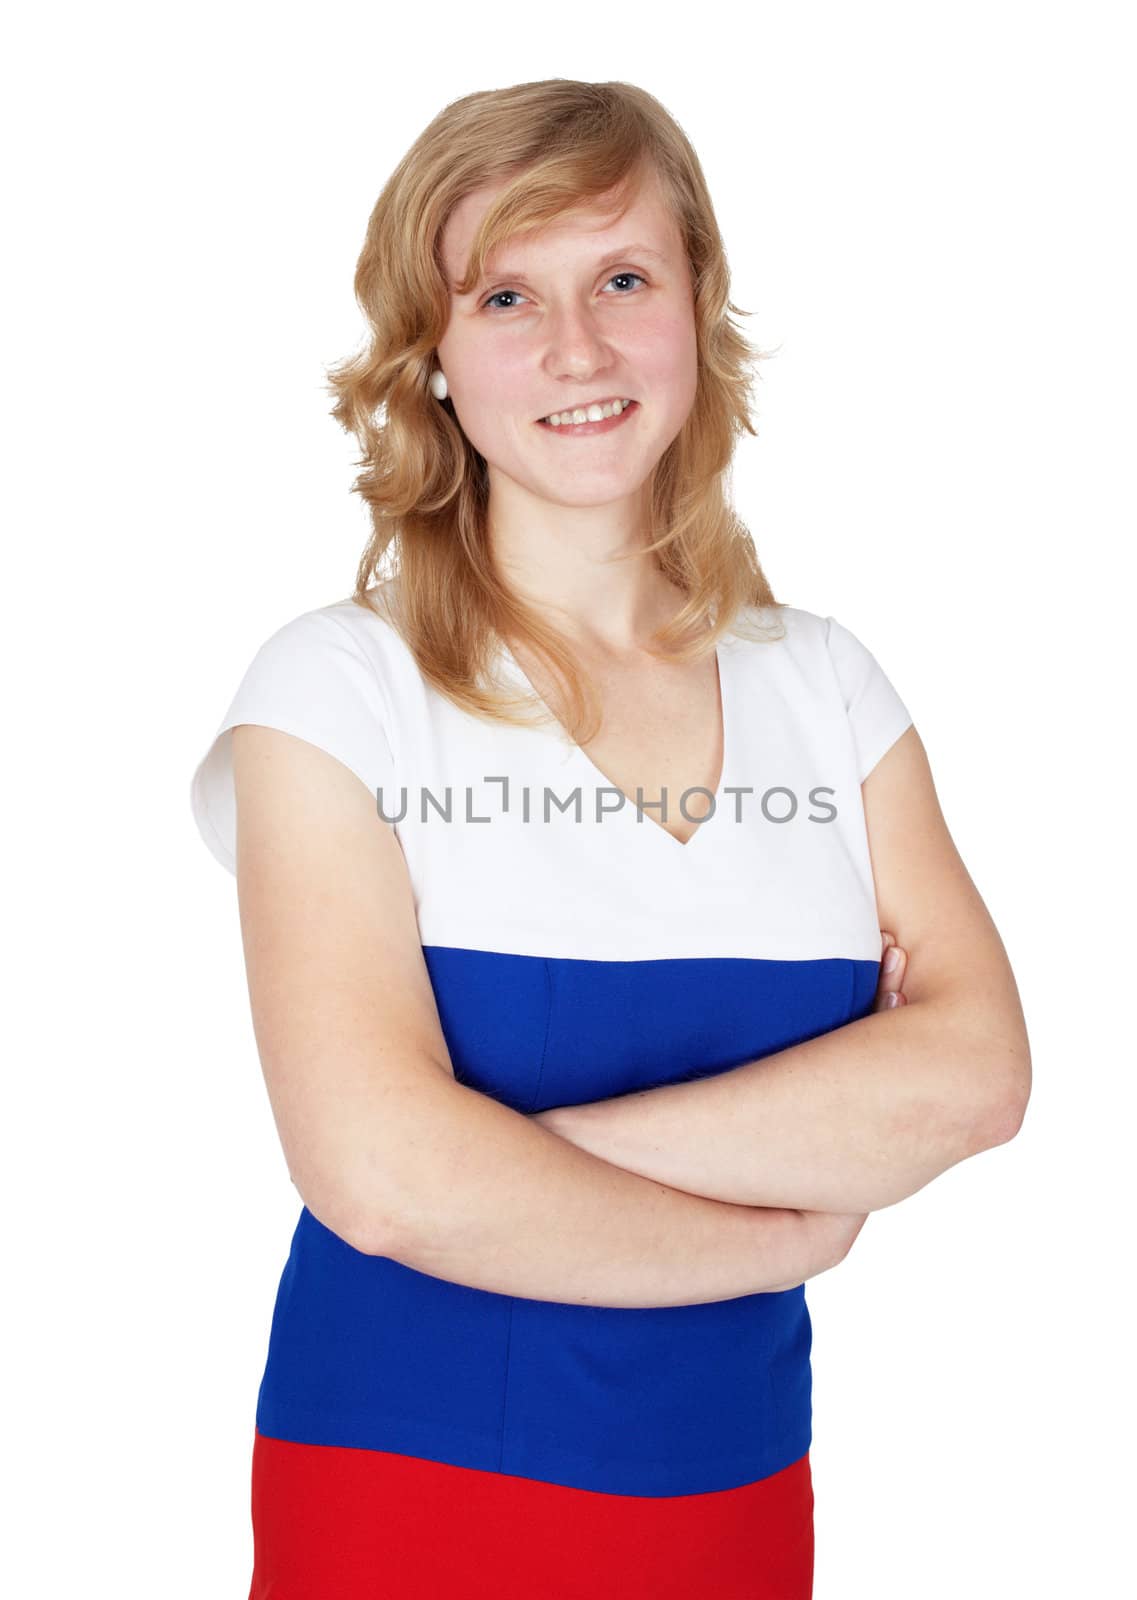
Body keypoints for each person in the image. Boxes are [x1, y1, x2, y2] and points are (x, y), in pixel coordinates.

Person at [189, 79, 1030, 1600]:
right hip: (406, 1480)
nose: (574, 348)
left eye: (622, 279)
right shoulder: (338, 690)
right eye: (506, 294)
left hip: (736, 1481)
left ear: (696, 307)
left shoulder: (823, 688)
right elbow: (376, 1182)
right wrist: (787, 1227)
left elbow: (973, 1081)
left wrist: (508, 1169)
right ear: (431, 358)